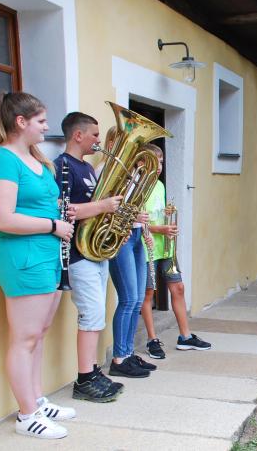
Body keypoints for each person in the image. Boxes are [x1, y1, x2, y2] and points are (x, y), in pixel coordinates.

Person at [0, 92, 76, 439]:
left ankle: (36, 399)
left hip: (46, 254)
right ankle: (26, 415)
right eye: (41, 121)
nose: (47, 127)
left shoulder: (36, 158)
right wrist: (53, 226)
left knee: (38, 334)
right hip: (22, 257)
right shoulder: (2, 160)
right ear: (21, 122)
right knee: (24, 338)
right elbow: (3, 218)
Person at [54, 112, 124, 402]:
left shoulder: (88, 168)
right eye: (94, 134)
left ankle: (93, 371)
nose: (99, 140)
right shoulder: (61, 167)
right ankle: (84, 379)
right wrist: (103, 206)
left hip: (95, 251)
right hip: (78, 255)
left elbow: (93, 207)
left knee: (98, 314)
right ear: (78, 135)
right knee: (91, 313)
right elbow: (65, 210)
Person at [140, 144, 211, 358]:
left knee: (178, 287)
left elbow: (157, 214)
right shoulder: (135, 186)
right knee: (148, 294)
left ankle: (185, 337)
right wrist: (159, 228)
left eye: (161, 162)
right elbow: (134, 223)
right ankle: (152, 339)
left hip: (165, 246)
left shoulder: (159, 186)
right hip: (146, 247)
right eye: (155, 162)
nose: (159, 167)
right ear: (141, 163)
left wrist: (167, 220)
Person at [108, 143, 157, 378]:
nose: (156, 168)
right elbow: (109, 206)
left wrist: (145, 229)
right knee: (128, 300)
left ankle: (127, 353)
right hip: (122, 236)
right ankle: (119, 358)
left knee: (137, 300)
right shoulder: (118, 175)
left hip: (136, 234)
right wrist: (132, 217)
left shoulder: (141, 181)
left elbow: (138, 208)